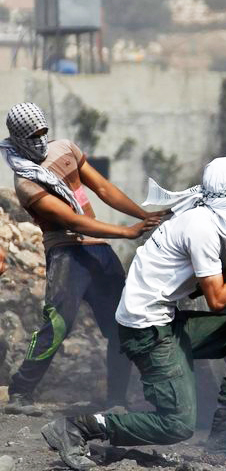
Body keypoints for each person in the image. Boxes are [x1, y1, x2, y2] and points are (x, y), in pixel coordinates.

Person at [41, 156, 226, 471]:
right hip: (148, 331)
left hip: (163, 320)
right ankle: (80, 427)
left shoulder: (205, 216)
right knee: (178, 424)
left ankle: (224, 435)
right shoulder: (202, 228)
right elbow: (217, 298)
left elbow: (205, 282)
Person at [0, 102, 165, 415]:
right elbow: (72, 222)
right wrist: (127, 232)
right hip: (66, 254)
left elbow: (103, 187)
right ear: (19, 137)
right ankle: (21, 391)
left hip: (98, 249)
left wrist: (142, 215)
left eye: (43, 132)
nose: (40, 139)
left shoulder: (65, 149)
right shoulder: (25, 181)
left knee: (122, 324)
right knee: (58, 325)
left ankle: (116, 399)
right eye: (33, 135)